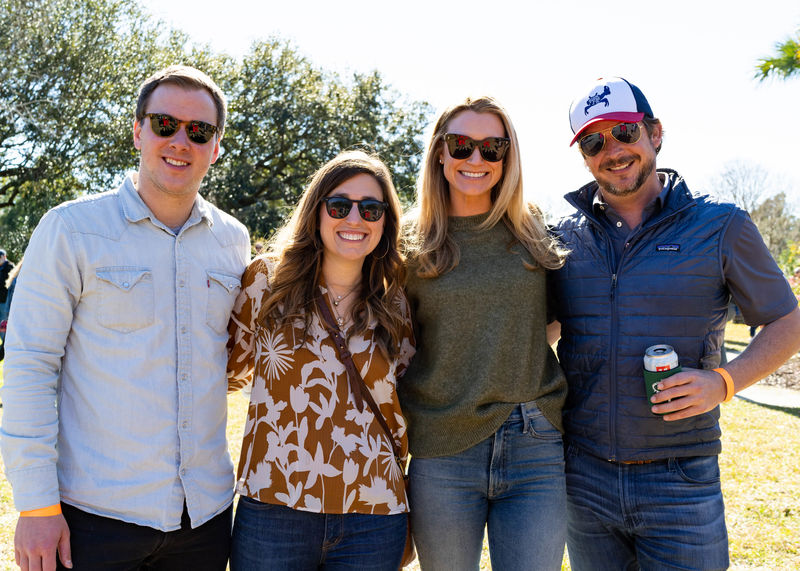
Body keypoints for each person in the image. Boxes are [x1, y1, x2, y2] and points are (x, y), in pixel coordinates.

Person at [0, 65, 250, 571]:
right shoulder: (70, 229)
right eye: (165, 124)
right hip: (90, 520)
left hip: (203, 522)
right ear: (138, 131)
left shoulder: (234, 241)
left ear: (215, 147)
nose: (181, 140)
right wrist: (36, 505)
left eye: (199, 131)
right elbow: (29, 367)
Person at [549, 76, 800, 570]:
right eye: (594, 142)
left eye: (624, 132)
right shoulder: (562, 238)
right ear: (584, 156)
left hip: (681, 482)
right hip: (584, 481)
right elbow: (541, 330)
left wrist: (723, 382)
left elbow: (788, 320)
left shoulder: (721, 225)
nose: (613, 151)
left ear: (655, 133)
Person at [399, 96, 569, 570]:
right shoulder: (408, 242)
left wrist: (509, 353)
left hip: (534, 440)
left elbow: (552, 320)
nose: (476, 159)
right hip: (441, 447)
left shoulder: (532, 229)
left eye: (492, 148)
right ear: (439, 152)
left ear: (507, 157)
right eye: (462, 145)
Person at [226, 150, 416, 570]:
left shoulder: (396, 301)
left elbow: (408, 397)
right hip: (275, 505)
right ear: (316, 212)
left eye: (371, 209)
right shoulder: (266, 283)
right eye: (339, 205)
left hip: (374, 511)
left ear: (385, 223)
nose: (355, 219)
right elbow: (226, 373)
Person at [0, 249, 15, 361]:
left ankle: (5, 347)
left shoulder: (10, 267)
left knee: (4, 325)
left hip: (5, 301)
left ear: (4, 256)